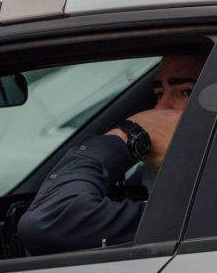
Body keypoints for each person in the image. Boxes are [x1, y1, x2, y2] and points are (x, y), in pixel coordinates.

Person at [17, 54, 207, 255]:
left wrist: (127, 135)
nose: (160, 108)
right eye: (159, 94)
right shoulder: (153, 177)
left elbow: (50, 220)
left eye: (186, 92)